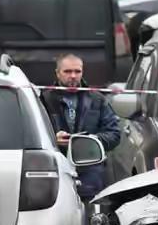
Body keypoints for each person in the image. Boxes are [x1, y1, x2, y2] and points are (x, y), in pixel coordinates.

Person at [41, 53, 121, 201]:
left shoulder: (97, 100)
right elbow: (31, 133)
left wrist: (88, 142)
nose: (73, 76)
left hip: (91, 173)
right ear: (58, 73)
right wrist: (53, 139)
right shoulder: (43, 100)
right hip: (54, 169)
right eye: (67, 71)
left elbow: (114, 134)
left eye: (77, 71)